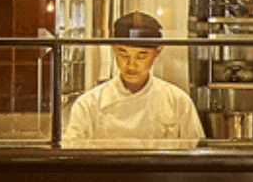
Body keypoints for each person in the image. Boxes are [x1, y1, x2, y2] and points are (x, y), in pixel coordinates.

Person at [64, 11, 204, 143]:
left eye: (141, 56)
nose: (131, 65)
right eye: (123, 54)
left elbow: (196, 157)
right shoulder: (89, 104)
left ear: (158, 51)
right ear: (114, 48)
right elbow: (72, 157)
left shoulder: (178, 102)